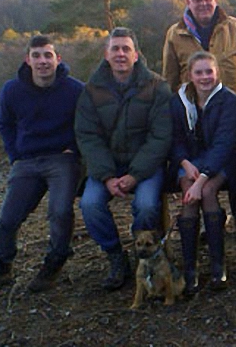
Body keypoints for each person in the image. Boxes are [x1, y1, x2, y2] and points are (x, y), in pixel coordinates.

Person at [0, 35, 84, 296]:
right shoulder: (12, 90)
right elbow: (5, 124)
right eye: (37, 56)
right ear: (28, 60)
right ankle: (1, 268)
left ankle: (55, 261)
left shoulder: (75, 89)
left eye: (48, 55)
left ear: (58, 59)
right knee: (7, 219)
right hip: (28, 161)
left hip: (62, 158)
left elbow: (90, 124)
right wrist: (15, 155)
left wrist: (76, 150)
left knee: (59, 212)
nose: (43, 61)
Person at [75, 27, 172, 291]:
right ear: (106, 55)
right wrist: (106, 176)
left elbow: (160, 137)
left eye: (126, 49)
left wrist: (135, 175)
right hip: (107, 165)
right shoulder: (91, 91)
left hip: (145, 165)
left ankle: (146, 252)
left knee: (146, 205)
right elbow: (87, 136)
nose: (120, 54)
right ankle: (115, 256)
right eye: (115, 49)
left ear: (136, 55)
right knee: (90, 204)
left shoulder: (157, 87)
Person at [162, 0, 236, 239]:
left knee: (235, 168)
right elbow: (169, 78)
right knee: (204, 167)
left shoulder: (234, 28)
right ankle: (208, 221)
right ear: (187, 2)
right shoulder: (175, 34)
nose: (204, 3)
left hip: (235, 112)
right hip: (195, 119)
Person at [169, 51, 236, 295]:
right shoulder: (178, 101)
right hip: (188, 161)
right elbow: (175, 139)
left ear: (217, 72)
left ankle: (218, 263)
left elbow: (224, 144)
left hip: (220, 161)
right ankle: (191, 266)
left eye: (209, 71)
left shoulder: (228, 100)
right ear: (190, 75)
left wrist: (202, 177)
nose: (204, 77)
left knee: (207, 191)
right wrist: (185, 163)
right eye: (199, 72)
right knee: (189, 194)